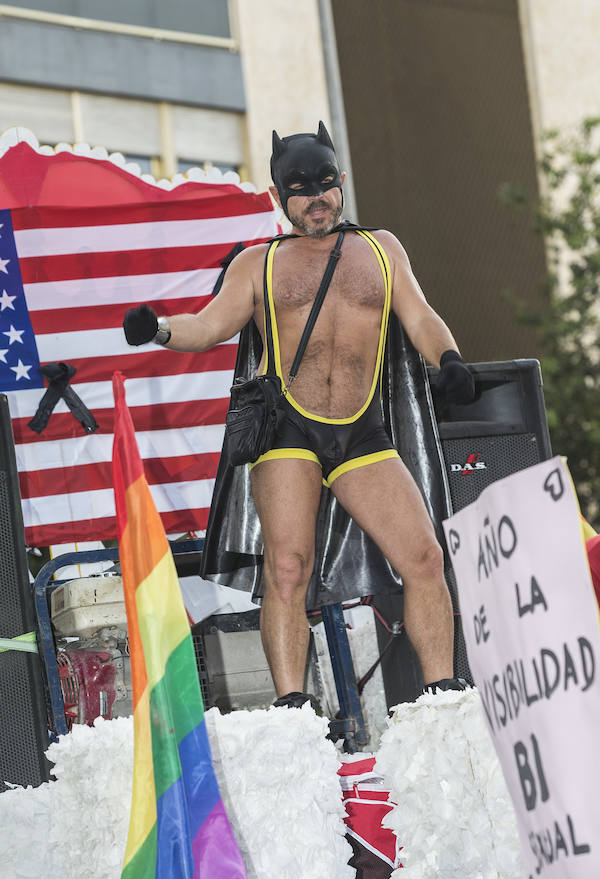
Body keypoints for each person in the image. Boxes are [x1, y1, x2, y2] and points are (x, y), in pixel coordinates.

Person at [123, 122, 474, 708]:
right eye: (301, 186)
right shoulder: (257, 264)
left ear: (342, 181)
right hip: (288, 429)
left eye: (327, 182)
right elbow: (208, 325)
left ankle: (441, 695)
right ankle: (292, 706)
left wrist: (451, 358)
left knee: (424, 555)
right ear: (278, 196)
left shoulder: (382, 249)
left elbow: (420, 315)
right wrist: (157, 327)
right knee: (287, 569)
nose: (318, 197)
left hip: (362, 428)